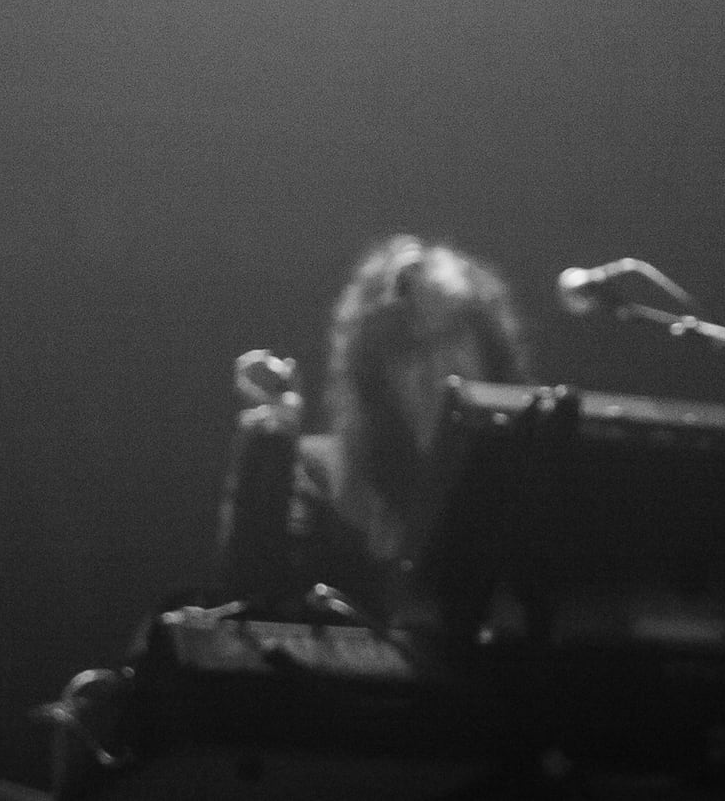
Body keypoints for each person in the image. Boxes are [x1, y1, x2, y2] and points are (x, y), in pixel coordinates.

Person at [219, 235, 529, 624]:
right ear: (375, 375)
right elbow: (253, 610)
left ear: (489, 348)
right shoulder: (319, 475)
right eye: (410, 348)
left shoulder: (537, 478)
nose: (438, 369)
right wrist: (271, 444)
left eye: (451, 336)